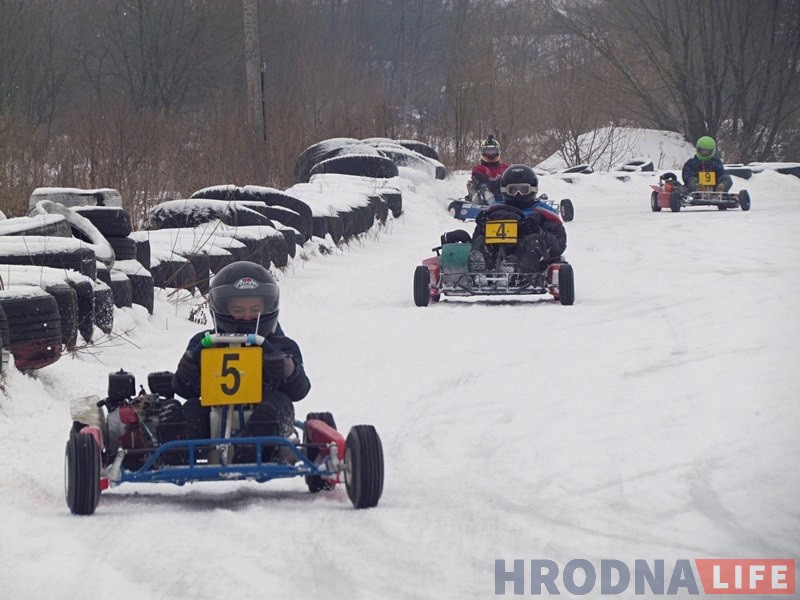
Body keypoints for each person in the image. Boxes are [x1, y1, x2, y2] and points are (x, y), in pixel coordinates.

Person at [158, 261, 310, 463]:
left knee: (278, 404)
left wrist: (288, 369)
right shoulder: (203, 343)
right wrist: (186, 372)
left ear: (268, 308)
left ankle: (252, 447)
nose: (247, 317)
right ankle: (179, 447)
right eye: (238, 309)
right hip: (213, 412)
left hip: (265, 413)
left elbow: (300, 390)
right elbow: (184, 390)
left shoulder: (282, 346)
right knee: (192, 407)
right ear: (222, 308)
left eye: (255, 309)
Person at [469, 164, 567, 274]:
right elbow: (475, 239)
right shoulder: (493, 210)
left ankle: (513, 270)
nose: (518, 194)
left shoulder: (544, 212)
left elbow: (558, 246)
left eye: (523, 190)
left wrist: (539, 231)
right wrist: (483, 226)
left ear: (533, 189)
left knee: (533, 240)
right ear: (504, 190)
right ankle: (480, 268)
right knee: (481, 240)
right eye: (513, 190)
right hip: (496, 254)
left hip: (530, 263)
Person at [467, 135, 509, 202]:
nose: (491, 155)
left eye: (493, 151)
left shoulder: (505, 168)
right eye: (488, 152)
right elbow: (484, 184)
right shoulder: (478, 169)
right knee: (486, 192)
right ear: (482, 152)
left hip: (508, 198)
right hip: (489, 201)